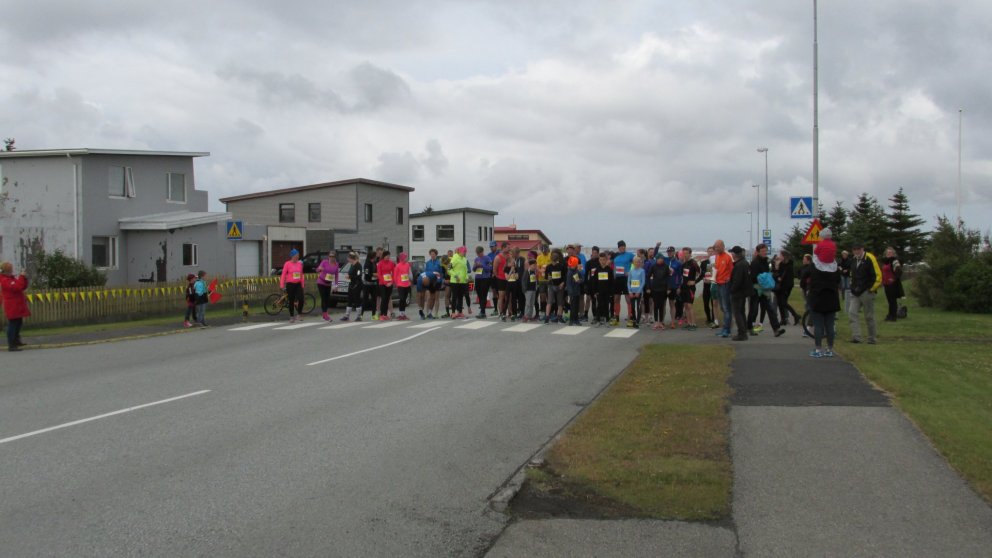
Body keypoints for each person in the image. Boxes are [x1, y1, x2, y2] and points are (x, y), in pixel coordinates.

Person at [808, 250, 841, 357]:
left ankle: (818, 349)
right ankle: (829, 349)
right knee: (830, 325)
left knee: (818, 325)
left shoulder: (815, 266)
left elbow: (807, 277)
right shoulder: (835, 267)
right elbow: (838, 280)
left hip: (817, 298)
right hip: (832, 298)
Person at [747, 244, 785, 337]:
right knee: (754, 310)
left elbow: (770, 273)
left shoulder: (767, 261)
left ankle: (776, 329)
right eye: (763, 251)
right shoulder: (755, 263)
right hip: (756, 289)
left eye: (765, 250)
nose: (764, 252)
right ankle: (750, 328)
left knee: (770, 309)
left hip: (765, 290)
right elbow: (753, 277)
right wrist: (763, 278)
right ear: (758, 252)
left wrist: (773, 273)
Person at [848, 241, 882, 344]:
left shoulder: (870, 258)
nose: (856, 252)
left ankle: (872, 338)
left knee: (869, 316)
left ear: (862, 249)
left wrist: (871, 289)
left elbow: (878, 275)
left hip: (867, 291)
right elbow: (852, 274)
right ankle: (856, 337)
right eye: (854, 250)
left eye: (858, 249)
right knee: (852, 313)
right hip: (855, 292)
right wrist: (852, 287)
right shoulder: (853, 260)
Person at [1, 261, 30, 352]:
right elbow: (17, 287)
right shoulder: (4, 280)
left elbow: (22, 286)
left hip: (17, 304)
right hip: (12, 305)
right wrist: (21, 277)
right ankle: (11, 344)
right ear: (6, 271)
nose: (12, 271)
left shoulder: (11, 279)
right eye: (10, 270)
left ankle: (16, 340)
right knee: (13, 324)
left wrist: (24, 278)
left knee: (18, 322)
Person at [729, 246, 753, 341]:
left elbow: (737, 280)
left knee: (737, 313)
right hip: (743, 292)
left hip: (738, 292)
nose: (731, 254)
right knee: (741, 312)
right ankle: (743, 330)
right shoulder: (745, 263)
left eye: (732, 253)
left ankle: (742, 333)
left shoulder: (739, 265)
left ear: (735, 254)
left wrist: (732, 289)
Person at [712, 240, 734, 338]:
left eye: (717, 247)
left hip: (725, 284)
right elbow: (716, 269)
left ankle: (727, 329)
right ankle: (725, 328)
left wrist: (728, 279)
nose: (716, 248)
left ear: (722, 246)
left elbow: (732, 270)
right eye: (715, 247)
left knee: (726, 308)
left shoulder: (728, 256)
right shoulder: (717, 256)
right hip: (718, 283)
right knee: (722, 307)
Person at [775, 250, 802, 326]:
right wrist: (777, 267)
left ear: (784, 256)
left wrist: (779, 275)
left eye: (781, 255)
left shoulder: (789, 265)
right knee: (780, 303)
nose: (779, 257)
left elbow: (784, 276)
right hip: (781, 286)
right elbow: (778, 274)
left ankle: (796, 315)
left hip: (786, 287)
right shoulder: (781, 264)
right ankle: (783, 319)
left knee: (783, 302)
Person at [610, 241, 634, 326]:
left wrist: (630, 271)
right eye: (621, 246)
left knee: (628, 299)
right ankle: (616, 318)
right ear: (618, 248)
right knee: (616, 298)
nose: (622, 248)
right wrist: (613, 276)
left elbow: (637, 262)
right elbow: (613, 266)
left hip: (626, 279)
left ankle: (630, 318)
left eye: (623, 246)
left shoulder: (630, 255)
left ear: (625, 247)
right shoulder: (616, 256)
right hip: (617, 279)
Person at [880, 246, 904, 321]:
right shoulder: (886, 262)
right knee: (889, 301)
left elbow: (899, 271)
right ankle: (890, 315)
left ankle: (893, 316)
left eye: (890, 252)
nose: (888, 254)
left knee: (892, 301)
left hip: (892, 284)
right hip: (886, 283)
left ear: (893, 254)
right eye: (887, 252)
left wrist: (893, 278)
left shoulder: (894, 261)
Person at [280, 250, 305, 322]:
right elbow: (283, 274)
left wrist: (302, 284)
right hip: (290, 284)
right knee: (291, 300)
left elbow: (301, 274)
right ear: (292, 256)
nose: (297, 257)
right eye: (296, 255)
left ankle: (299, 314)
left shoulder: (299, 264)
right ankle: (291, 316)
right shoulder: (287, 264)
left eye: (298, 255)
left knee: (301, 299)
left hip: (298, 284)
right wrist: (282, 284)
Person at [680, 247, 700, 330]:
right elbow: (682, 276)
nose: (685, 255)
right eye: (684, 253)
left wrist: (695, 281)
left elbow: (701, 273)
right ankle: (689, 323)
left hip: (690, 288)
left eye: (686, 253)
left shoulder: (693, 263)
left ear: (690, 254)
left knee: (689, 305)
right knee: (685, 305)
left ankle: (693, 324)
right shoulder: (684, 264)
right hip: (684, 287)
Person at [648, 253, 670, 330]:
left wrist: (668, 288)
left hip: (663, 289)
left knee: (661, 306)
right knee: (655, 306)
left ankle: (661, 322)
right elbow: (648, 277)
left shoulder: (666, 266)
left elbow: (668, 278)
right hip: (654, 289)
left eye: (662, 259)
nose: (661, 260)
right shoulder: (653, 266)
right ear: (656, 259)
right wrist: (648, 287)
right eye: (659, 259)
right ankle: (656, 322)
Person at [544, 250, 566, 324]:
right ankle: (547, 317)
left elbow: (564, 276)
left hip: (559, 286)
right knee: (550, 301)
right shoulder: (548, 267)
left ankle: (559, 317)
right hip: (551, 286)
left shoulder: (561, 266)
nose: (554, 260)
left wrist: (563, 283)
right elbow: (546, 276)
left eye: (555, 258)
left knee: (560, 302)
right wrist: (548, 278)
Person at [316, 251, 339, 322]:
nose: (331, 258)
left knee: (327, 299)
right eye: (330, 256)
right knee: (324, 298)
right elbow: (317, 270)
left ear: (335, 257)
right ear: (328, 257)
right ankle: (325, 315)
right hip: (321, 282)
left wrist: (336, 285)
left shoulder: (336, 264)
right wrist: (320, 269)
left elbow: (336, 275)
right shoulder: (324, 262)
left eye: (333, 256)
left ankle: (324, 315)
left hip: (328, 284)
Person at [341, 252, 364, 321]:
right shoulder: (351, 265)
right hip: (351, 284)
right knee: (349, 299)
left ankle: (359, 316)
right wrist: (348, 276)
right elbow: (350, 273)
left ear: (351, 258)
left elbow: (358, 275)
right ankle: (347, 315)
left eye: (348, 258)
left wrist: (350, 277)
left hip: (357, 284)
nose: (348, 260)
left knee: (357, 300)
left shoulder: (358, 265)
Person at [593, 251, 615, 326]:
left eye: (604, 260)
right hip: (599, 291)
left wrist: (611, 292)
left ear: (606, 260)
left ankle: (607, 320)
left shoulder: (609, 270)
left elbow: (612, 282)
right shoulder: (597, 270)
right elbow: (594, 281)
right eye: (601, 260)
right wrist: (595, 291)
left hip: (607, 291)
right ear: (599, 260)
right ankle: (598, 320)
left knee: (606, 305)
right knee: (599, 305)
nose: (602, 261)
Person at [449, 246, 469, 319]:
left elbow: (465, 270)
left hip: (462, 281)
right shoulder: (454, 258)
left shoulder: (464, 259)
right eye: (464, 252)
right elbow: (449, 269)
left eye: (465, 252)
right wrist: (455, 275)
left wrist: (467, 277)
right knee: (454, 297)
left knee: (460, 297)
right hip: (455, 281)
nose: (465, 253)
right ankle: (453, 312)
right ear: (460, 252)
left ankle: (460, 312)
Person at [473, 246, 493, 319]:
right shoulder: (476, 259)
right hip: (478, 278)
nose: (478, 255)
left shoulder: (487, 258)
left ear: (482, 252)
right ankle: (482, 311)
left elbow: (490, 268)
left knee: (483, 295)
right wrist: (475, 266)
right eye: (477, 253)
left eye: (479, 253)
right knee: (479, 295)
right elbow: (473, 269)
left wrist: (482, 265)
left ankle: (482, 312)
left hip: (485, 278)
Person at [376, 250, 396, 320]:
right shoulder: (380, 264)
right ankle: (382, 314)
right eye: (387, 256)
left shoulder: (391, 263)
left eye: (389, 256)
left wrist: (391, 282)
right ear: (384, 256)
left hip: (390, 283)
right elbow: (379, 275)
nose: (388, 257)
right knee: (383, 298)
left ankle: (385, 314)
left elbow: (394, 273)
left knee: (387, 299)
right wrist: (385, 283)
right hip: (382, 283)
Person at [626, 256, 645, 328]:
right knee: (633, 307)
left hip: (639, 292)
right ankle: (634, 320)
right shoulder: (631, 271)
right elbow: (628, 282)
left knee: (638, 307)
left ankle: (637, 321)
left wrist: (638, 292)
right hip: (632, 291)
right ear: (633, 263)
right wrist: (630, 292)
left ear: (640, 263)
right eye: (636, 262)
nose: (637, 263)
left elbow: (643, 282)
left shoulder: (642, 271)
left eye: (639, 262)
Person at [565, 256, 584, 325]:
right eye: (573, 265)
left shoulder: (577, 271)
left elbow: (582, 279)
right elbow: (568, 284)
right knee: (573, 306)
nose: (574, 266)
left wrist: (580, 281)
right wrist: (570, 293)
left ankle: (576, 319)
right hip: (572, 293)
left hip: (577, 291)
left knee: (576, 306)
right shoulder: (569, 272)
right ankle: (571, 320)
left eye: (575, 265)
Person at [362, 248, 381, 320]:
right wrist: (375, 274)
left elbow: (377, 270)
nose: (376, 257)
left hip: (374, 284)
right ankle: (361, 315)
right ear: (372, 257)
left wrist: (376, 274)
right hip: (367, 284)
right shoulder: (367, 263)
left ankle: (373, 315)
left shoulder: (374, 263)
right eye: (375, 256)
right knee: (365, 300)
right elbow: (367, 274)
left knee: (374, 300)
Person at [394, 252, 413, 320]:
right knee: (401, 299)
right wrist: (396, 284)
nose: (406, 259)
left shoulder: (407, 265)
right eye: (405, 257)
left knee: (404, 299)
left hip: (407, 284)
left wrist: (410, 281)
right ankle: (400, 314)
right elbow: (395, 276)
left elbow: (409, 274)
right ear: (402, 258)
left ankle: (403, 313)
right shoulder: (397, 266)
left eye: (406, 257)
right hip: (400, 285)